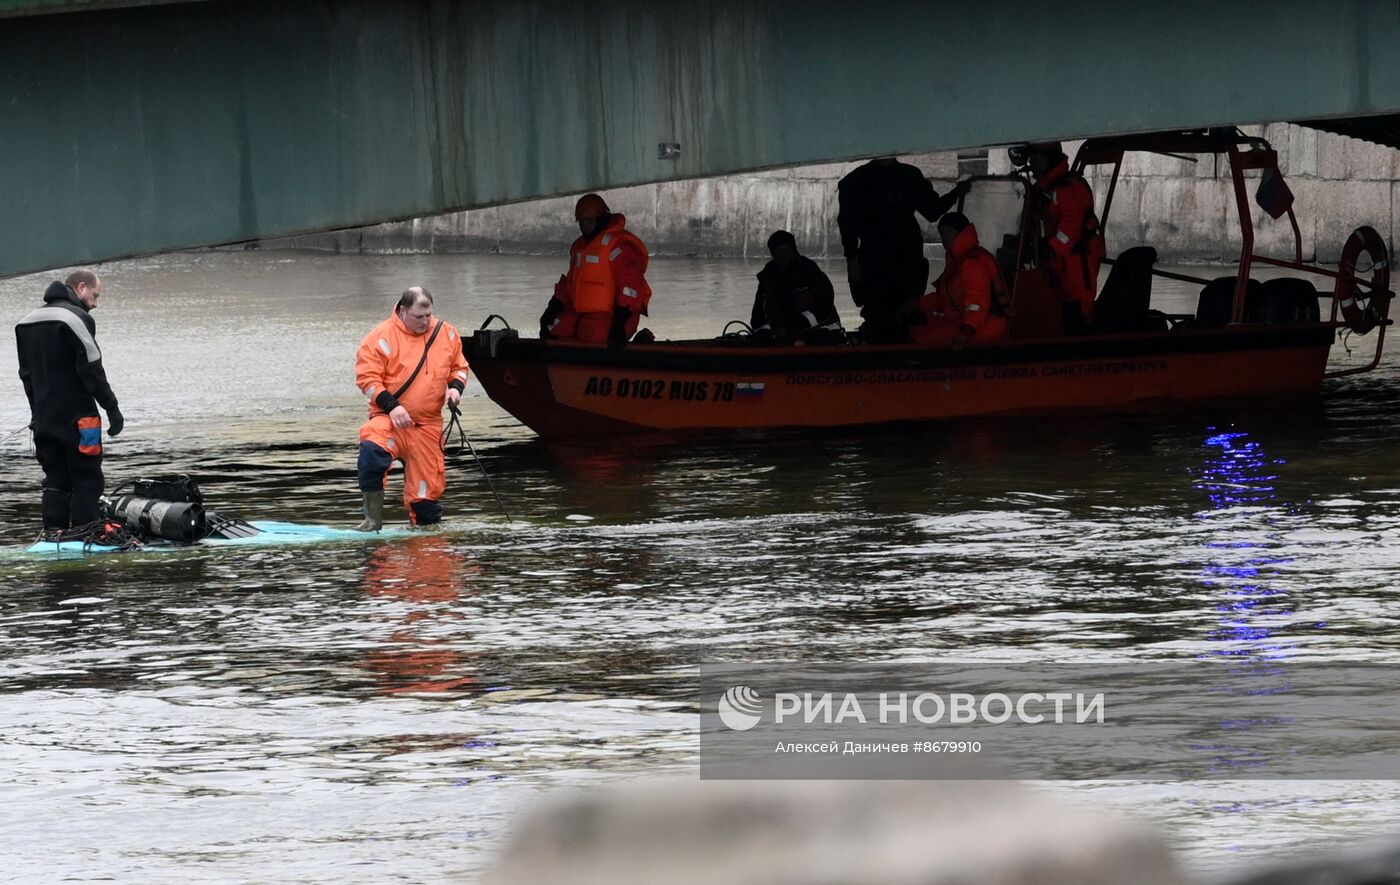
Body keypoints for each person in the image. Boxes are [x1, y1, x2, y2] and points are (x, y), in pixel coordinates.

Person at [15, 269, 124, 532]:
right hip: (81, 419)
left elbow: (26, 375)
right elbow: (92, 369)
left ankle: (54, 533)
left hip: (44, 420)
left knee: (55, 478)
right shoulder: (77, 319)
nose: (96, 304)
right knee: (87, 476)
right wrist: (112, 408)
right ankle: (87, 532)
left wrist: (36, 415)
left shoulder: (25, 323)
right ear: (81, 287)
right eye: (95, 296)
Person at [354, 287, 470, 530]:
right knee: (371, 454)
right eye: (419, 317)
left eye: (428, 315)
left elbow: (459, 368)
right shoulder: (380, 337)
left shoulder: (447, 333)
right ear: (403, 310)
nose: (425, 322)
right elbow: (368, 380)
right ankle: (372, 522)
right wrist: (393, 407)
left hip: (428, 425)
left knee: (426, 498)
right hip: (390, 419)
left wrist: (455, 389)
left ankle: (427, 536)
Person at [836, 157, 965, 343]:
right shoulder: (909, 175)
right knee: (906, 316)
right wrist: (957, 192)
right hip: (906, 259)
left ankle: (878, 348)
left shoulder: (855, 180)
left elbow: (847, 226)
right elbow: (932, 210)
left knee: (879, 317)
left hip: (876, 260)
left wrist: (851, 259)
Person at [539, 193, 652, 349]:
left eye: (588, 221)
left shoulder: (620, 246)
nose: (584, 226)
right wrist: (552, 308)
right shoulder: (580, 247)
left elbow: (631, 286)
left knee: (592, 333)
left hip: (616, 316)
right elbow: (571, 283)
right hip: (581, 312)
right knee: (553, 329)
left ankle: (635, 345)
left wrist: (620, 321)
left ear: (601, 218)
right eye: (581, 222)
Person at [1024, 142, 1106, 333]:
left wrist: (1051, 249)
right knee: (1057, 305)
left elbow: (1071, 225)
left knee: (1078, 306)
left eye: (1035, 158)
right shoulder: (1044, 188)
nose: (1031, 163)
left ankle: (1081, 340)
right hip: (1056, 262)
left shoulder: (1067, 187)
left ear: (1048, 159)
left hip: (1076, 260)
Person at [904, 213, 1009, 348]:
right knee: (917, 325)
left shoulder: (973, 262)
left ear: (952, 231)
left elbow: (977, 302)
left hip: (984, 327)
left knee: (922, 337)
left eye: (943, 233)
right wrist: (917, 304)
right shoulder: (958, 260)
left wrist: (966, 331)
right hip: (965, 321)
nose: (942, 238)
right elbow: (945, 298)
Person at [750, 230, 845, 346]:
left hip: (821, 330)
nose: (782, 256)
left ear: (794, 251)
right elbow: (758, 317)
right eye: (777, 252)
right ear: (772, 255)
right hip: (783, 337)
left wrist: (796, 328)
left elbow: (824, 307)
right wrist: (766, 334)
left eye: (786, 251)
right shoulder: (767, 278)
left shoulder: (811, 272)